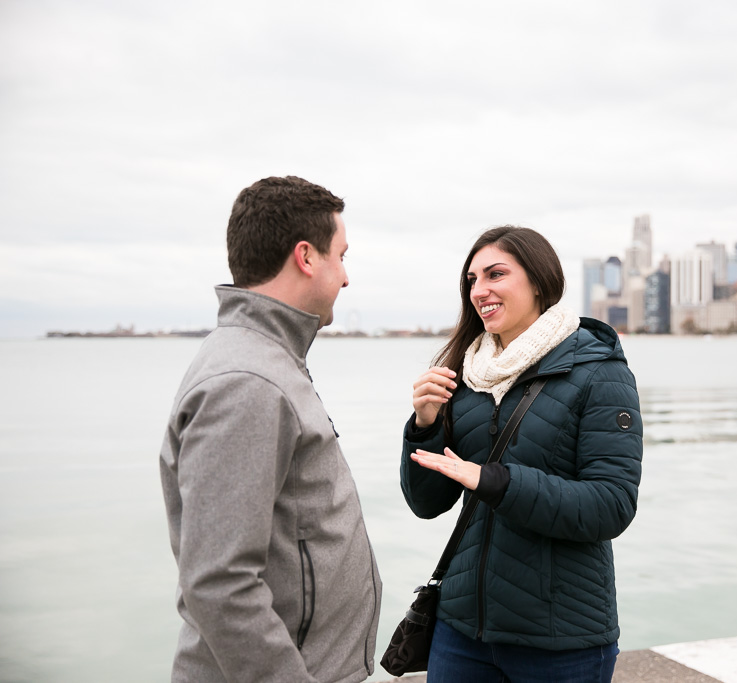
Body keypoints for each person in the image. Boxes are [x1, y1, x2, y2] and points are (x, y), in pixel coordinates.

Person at [159, 176, 382, 683]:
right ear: (306, 257)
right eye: (341, 256)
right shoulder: (247, 381)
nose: (346, 277)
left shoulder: (267, 359)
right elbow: (220, 583)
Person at [400, 226, 642, 682]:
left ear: (538, 281)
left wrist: (496, 482)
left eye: (495, 274)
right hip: (461, 632)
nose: (479, 290)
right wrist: (424, 425)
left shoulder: (600, 373)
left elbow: (611, 505)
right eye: (472, 279)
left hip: (561, 639)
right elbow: (426, 504)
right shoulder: (462, 375)